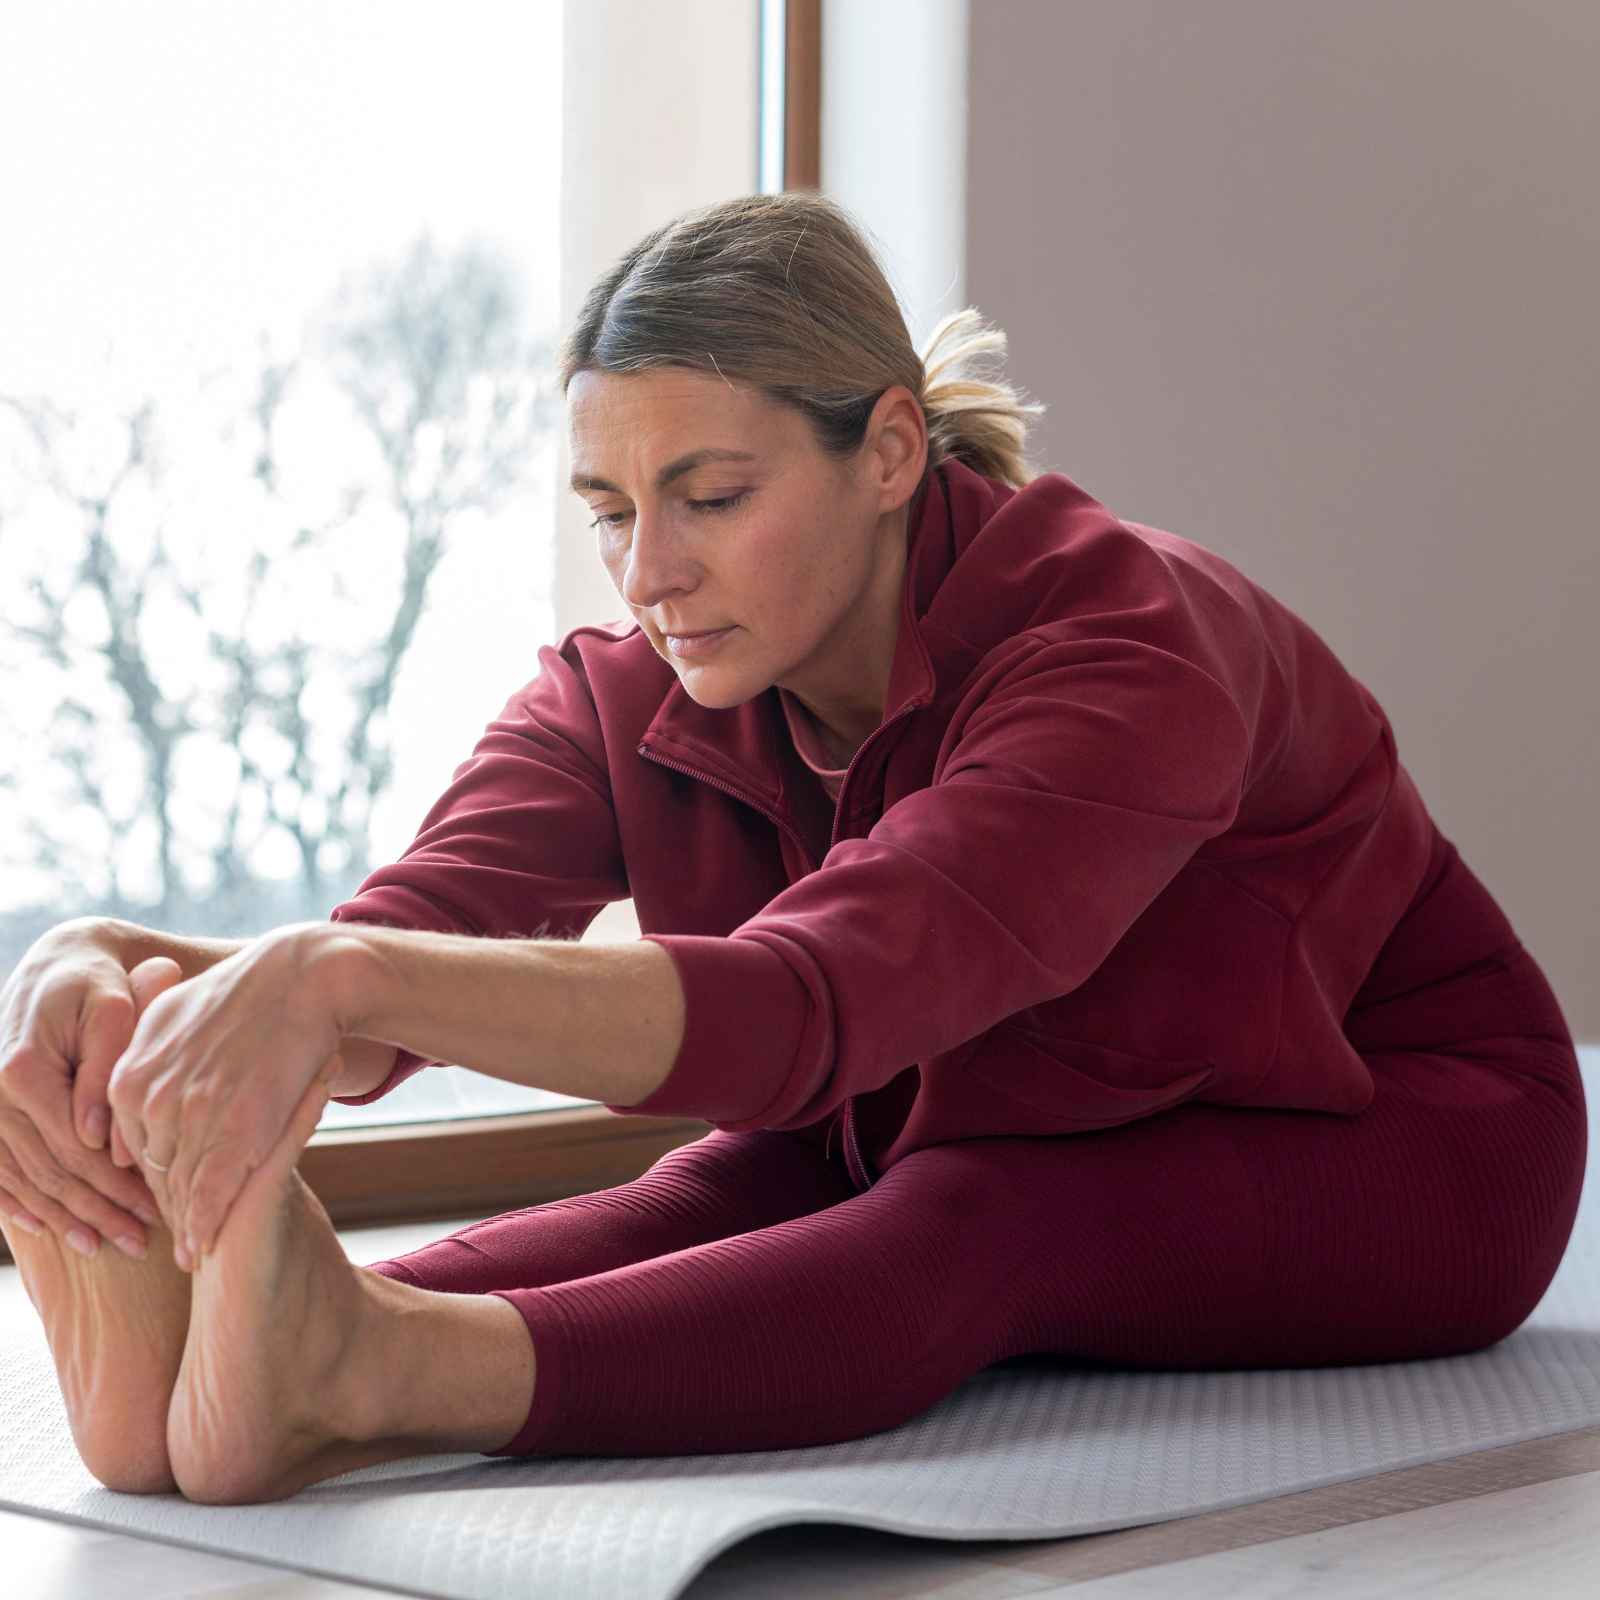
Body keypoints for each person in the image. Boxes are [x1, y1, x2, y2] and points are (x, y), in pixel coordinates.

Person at [0, 190, 1585, 1506]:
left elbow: (807, 1010)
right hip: (928, 1106)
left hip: (1398, 1137)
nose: (650, 574)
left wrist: (328, 982)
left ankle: (367, 1371)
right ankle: (257, 1318)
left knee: (982, 1213)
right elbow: (388, 968)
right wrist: (108, 975)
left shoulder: (1129, 643)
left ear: (890, 450)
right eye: (611, 509)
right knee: (739, 1178)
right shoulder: (629, 686)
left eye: (709, 495)